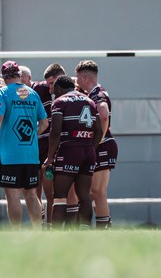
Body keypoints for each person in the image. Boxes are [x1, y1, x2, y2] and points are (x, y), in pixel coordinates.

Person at [0, 60, 48, 229]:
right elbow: (44, 124)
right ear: (20, 75)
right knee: (32, 195)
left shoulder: (2, 93)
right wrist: (31, 135)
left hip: (10, 154)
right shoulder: (33, 94)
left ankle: (16, 234)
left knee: (12, 196)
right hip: (31, 154)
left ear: (4, 77)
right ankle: (38, 231)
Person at [43, 75, 103, 229]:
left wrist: (50, 157)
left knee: (60, 196)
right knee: (84, 196)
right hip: (88, 151)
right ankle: (84, 231)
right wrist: (91, 148)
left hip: (69, 150)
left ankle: (56, 235)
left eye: (54, 91)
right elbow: (99, 131)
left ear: (58, 89)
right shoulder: (89, 101)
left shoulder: (59, 102)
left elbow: (55, 132)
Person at [75, 60, 118, 229]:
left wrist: (97, 140)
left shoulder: (97, 94)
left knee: (98, 192)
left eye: (78, 77)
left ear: (84, 76)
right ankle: (103, 226)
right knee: (95, 192)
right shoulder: (91, 93)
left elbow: (104, 113)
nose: (76, 81)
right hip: (101, 145)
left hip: (103, 146)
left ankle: (104, 229)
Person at [26, 63, 65, 228]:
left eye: (52, 83)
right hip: (37, 147)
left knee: (52, 192)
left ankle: (51, 226)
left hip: (55, 148)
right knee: (34, 191)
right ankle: (38, 226)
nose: (50, 87)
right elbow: (25, 83)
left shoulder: (71, 93)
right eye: (48, 83)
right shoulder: (39, 90)